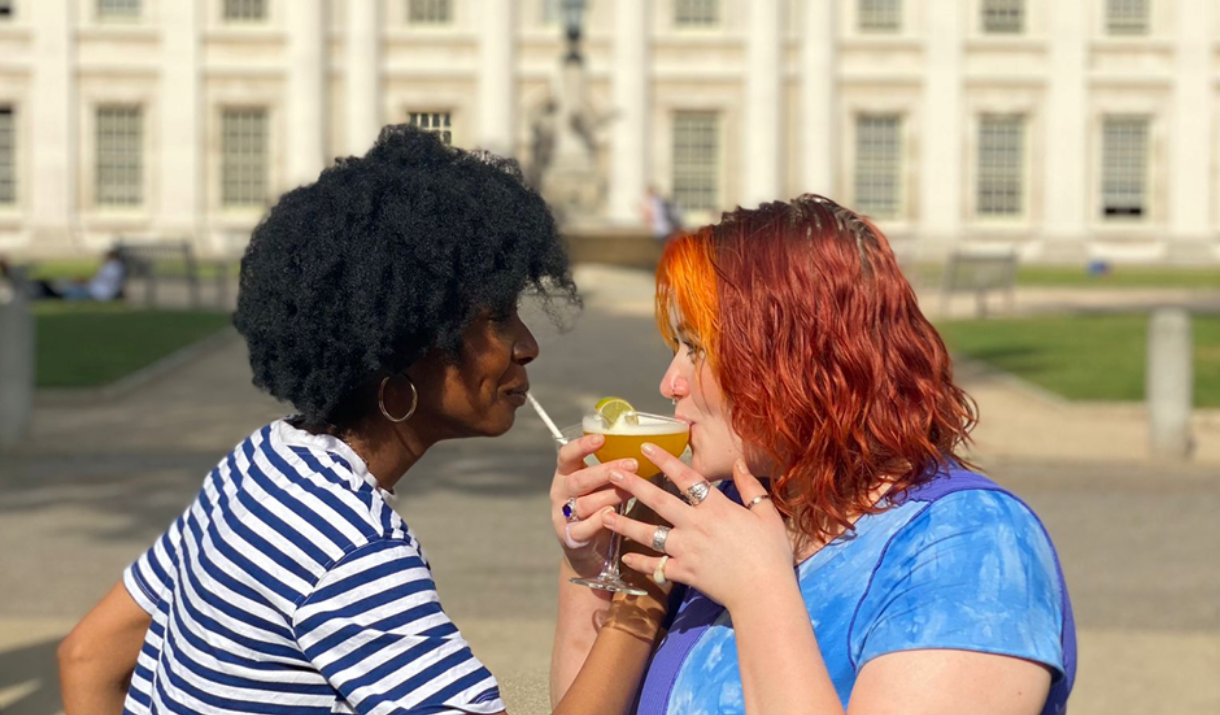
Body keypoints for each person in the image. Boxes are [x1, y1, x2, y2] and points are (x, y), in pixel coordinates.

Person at [56, 126, 668, 715]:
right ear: (405, 343)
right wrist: (641, 591)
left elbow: (87, 657)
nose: (527, 345)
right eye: (498, 318)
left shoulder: (262, 460)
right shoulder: (347, 548)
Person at [551, 195, 1076, 714]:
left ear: (793, 356)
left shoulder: (967, 543)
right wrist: (594, 570)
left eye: (697, 349)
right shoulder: (725, 509)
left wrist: (759, 591)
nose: (671, 382)